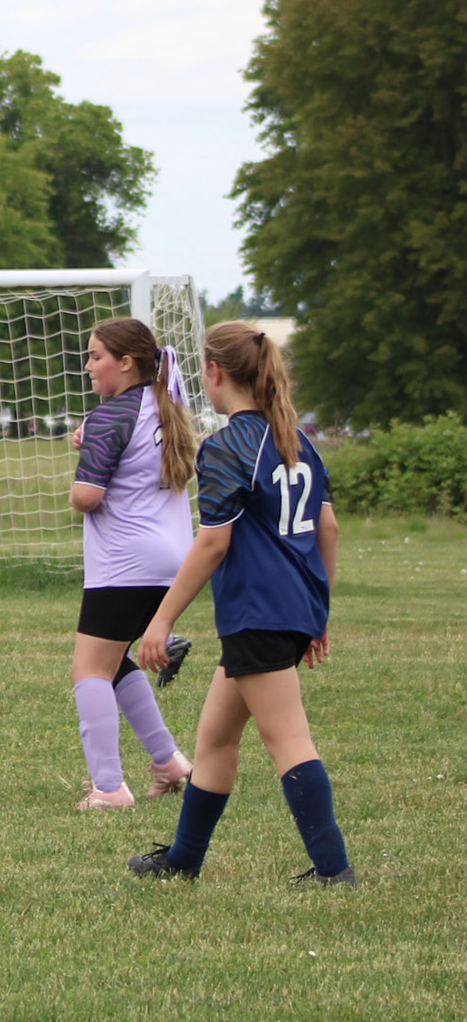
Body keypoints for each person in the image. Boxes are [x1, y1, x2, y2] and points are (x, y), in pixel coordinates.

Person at [127, 322, 353, 885]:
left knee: (288, 739)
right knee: (216, 739)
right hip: (287, 609)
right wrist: (318, 608)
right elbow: (328, 529)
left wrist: (161, 620)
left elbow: (213, 543)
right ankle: (183, 860)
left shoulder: (229, 445)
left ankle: (335, 870)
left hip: (258, 610)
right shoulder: (297, 440)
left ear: (215, 371)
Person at [67, 318, 200, 810]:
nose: (88, 366)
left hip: (125, 562)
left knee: (89, 669)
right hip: (172, 560)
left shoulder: (109, 416)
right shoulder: (167, 407)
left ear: (125, 362)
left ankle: (108, 788)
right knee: (115, 660)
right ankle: (169, 762)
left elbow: (87, 496)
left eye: (95, 355)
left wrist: (83, 466)